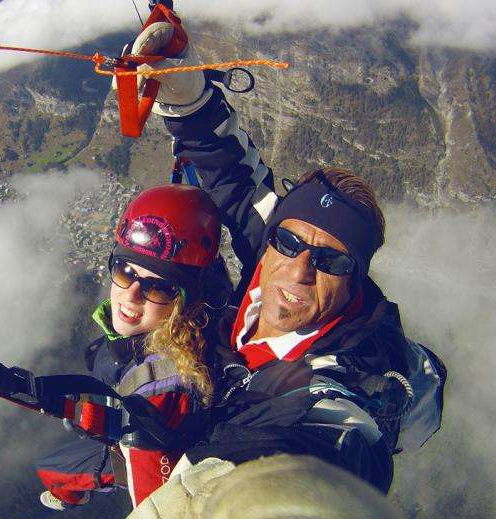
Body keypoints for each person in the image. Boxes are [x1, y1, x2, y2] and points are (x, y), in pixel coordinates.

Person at [125, 16, 445, 492]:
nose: (299, 270)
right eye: (289, 243)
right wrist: (186, 95)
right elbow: (236, 179)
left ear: (356, 277)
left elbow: (336, 438)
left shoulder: (351, 375)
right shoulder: (275, 249)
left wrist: (226, 480)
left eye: (331, 261)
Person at [35, 183, 229, 510]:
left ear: (189, 300)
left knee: (53, 471)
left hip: (151, 438)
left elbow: (155, 518)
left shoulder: (159, 392)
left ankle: (71, 491)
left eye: (159, 288)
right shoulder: (211, 299)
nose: (132, 294)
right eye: (124, 271)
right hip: (133, 394)